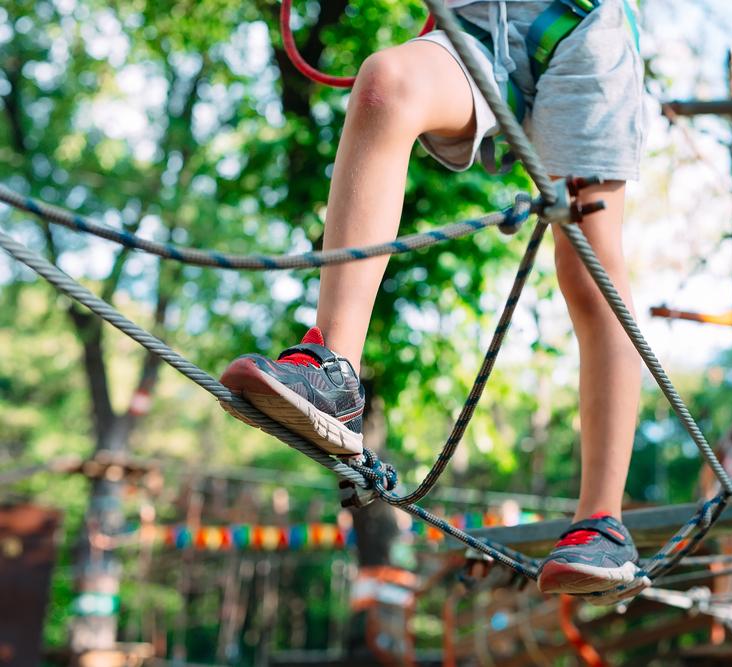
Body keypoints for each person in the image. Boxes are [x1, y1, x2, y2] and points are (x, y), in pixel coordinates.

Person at [220, 0, 646, 597]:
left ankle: (603, 519)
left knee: (586, 261)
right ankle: (332, 373)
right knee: (385, 86)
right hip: (475, 21)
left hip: (581, 24)